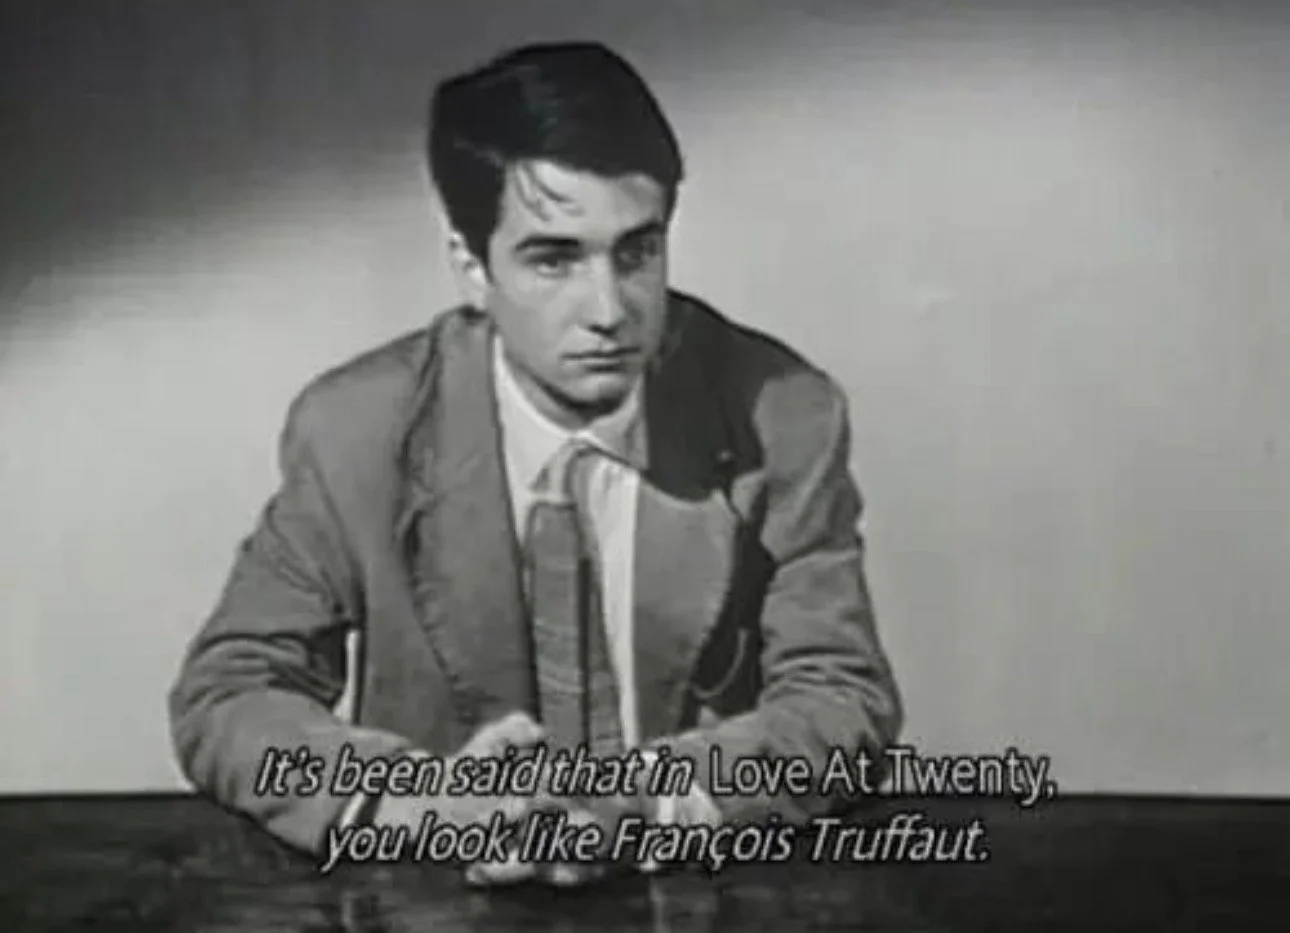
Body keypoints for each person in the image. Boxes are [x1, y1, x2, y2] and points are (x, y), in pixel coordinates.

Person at [168, 40, 902, 887]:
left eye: (637, 251)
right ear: (471, 266)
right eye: (555, 259)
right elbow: (229, 692)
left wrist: (649, 800)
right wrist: (414, 799)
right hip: (440, 894)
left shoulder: (784, 413)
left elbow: (841, 696)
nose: (609, 310)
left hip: (690, 889)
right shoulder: (355, 429)